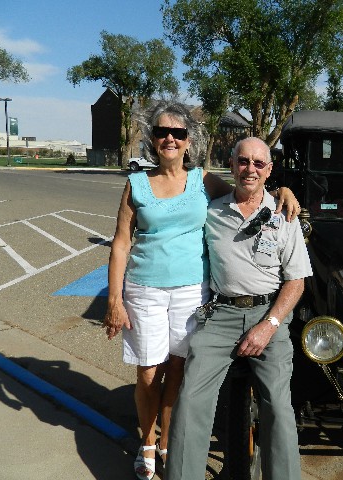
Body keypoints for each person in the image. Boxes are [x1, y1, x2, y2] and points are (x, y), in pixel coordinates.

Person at [102, 104, 300, 480]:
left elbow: (249, 193)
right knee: (149, 373)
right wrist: (114, 300)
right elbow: (121, 243)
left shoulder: (203, 181)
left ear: (189, 140)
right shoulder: (137, 184)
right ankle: (147, 442)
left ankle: (169, 443)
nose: (170, 139)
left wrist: (283, 191)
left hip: (192, 290)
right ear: (153, 138)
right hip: (145, 289)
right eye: (162, 132)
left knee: (179, 371)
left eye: (177, 133)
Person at [165, 137, 313, 480]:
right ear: (231, 165)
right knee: (190, 400)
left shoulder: (283, 213)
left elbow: (296, 282)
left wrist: (270, 325)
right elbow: (177, 180)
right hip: (221, 317)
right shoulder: (212, 211)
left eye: (259, 164)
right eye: (243, 161)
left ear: (269, 170)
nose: (250, 169)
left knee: (278, 405)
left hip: (269, 316)